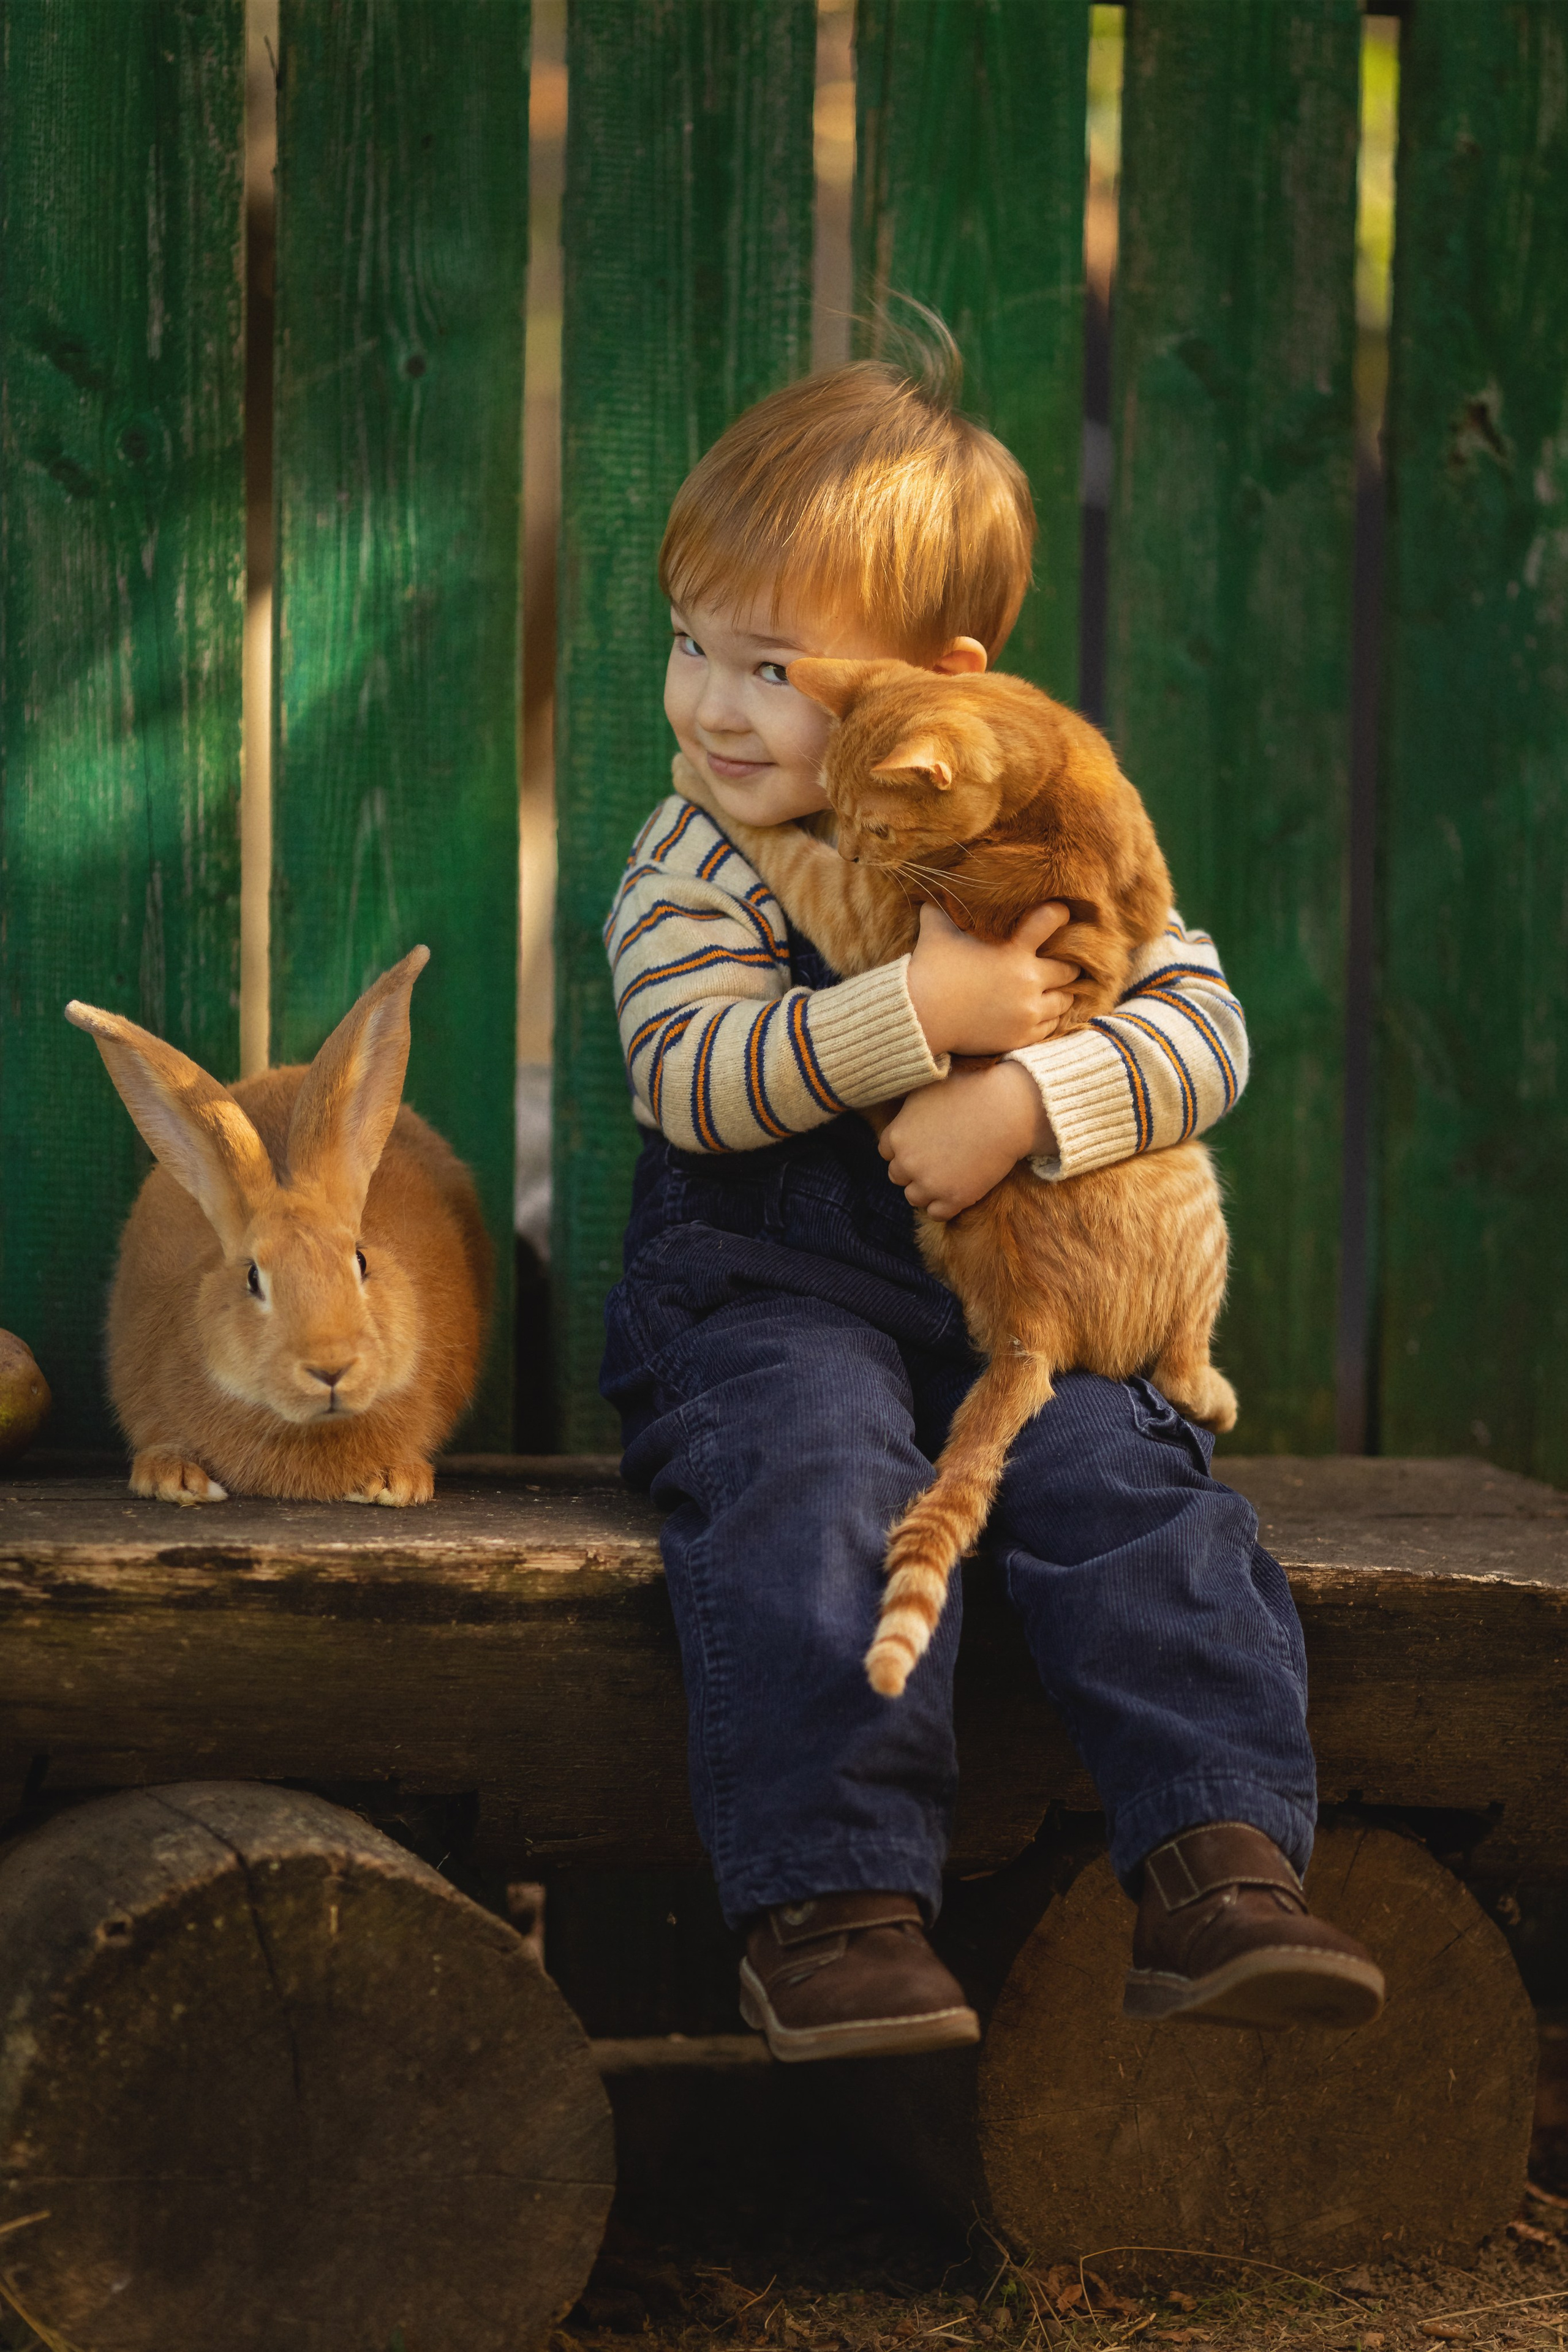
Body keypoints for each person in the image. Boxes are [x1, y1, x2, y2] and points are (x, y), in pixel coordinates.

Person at [599, 328, 1384, 2063]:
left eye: (776, 670)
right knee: (814, 1474)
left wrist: (1029, 1093)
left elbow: (1206, 1031)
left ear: (935, 680)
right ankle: (832, 1905)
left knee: (1130, 1486)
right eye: (690, 648)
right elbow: (688, 1075)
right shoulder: (702, 859)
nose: (717, 708)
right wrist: (923, 1019)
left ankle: (1220, 1863)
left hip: (1020, 1320)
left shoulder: (1042, 810)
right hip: (770, 1298)